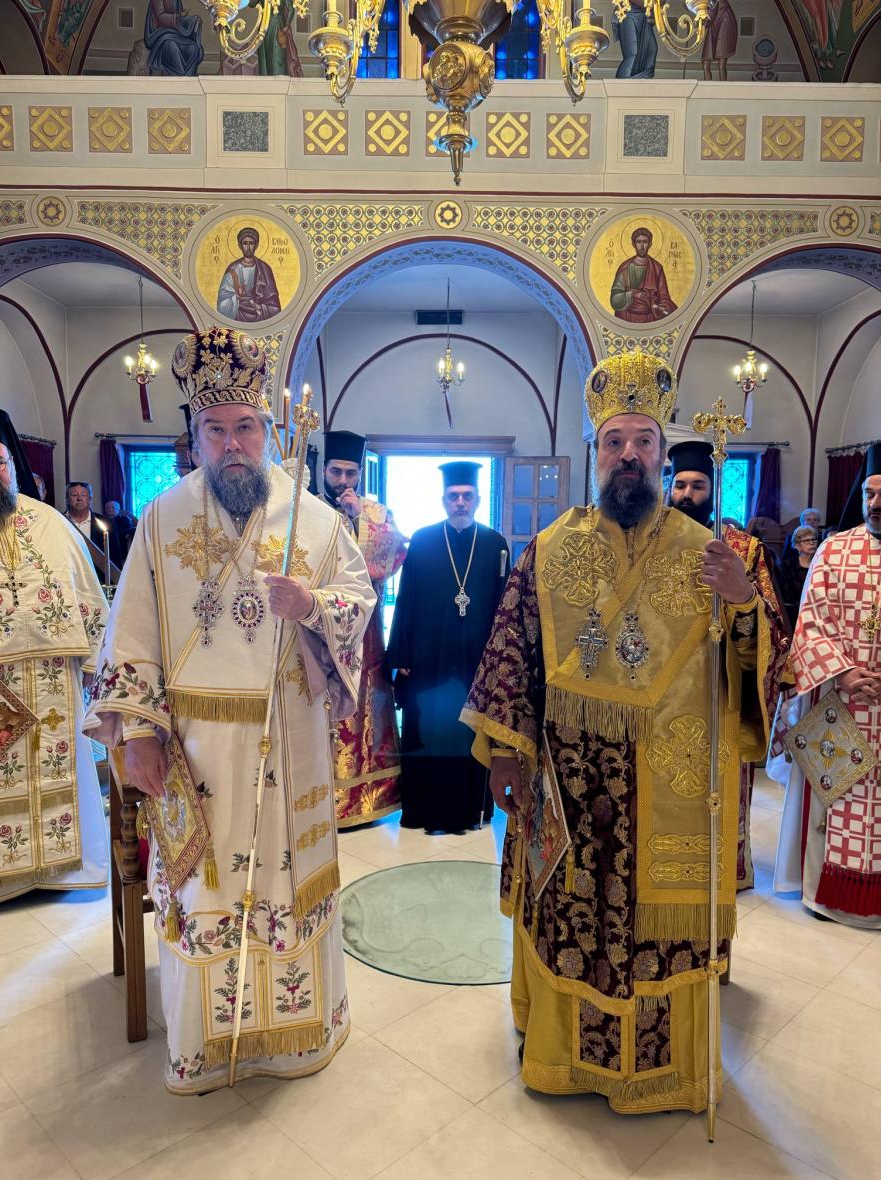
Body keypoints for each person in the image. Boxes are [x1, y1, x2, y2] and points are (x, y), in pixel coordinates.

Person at [462, 353, 787, 1113]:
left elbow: (768, 664)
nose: (630, 455)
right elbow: (512, 653)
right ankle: (563, 1059)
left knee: (656, 929)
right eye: (615, 442)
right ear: (596, 453)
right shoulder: (550, 549)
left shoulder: (716, 557)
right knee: (567, 910)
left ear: (663, 454)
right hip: (568, 784)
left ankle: (660, 1074)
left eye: (644, 441)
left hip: (672, 786)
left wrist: (744, 604)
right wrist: (504, 754)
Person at [84, 327, 376, 1094]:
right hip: (198, 750)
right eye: (215, 430)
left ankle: (296, 1037)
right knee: (202, 892)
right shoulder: (162, 519)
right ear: (196, 435)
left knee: (288, 886)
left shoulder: (316, 520)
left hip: (290, 743)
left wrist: (311, 605)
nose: (233, 444)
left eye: (246, 426)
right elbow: (132, 632)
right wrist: (137, 734)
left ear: (269, 429)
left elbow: (359, 601)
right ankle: (206, 1048)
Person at [0, 407, 109, 910]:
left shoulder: (50, 523)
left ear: (12, 464)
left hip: (56, 678)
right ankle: (0, 882)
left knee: (66, 767)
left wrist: (98, 665)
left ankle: (70, 870)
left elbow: (89, 594)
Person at [666, 439, 790, 890]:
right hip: (660, 691)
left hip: (719, 690)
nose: (687, 494)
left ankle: (721, 873)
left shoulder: (745, 549)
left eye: (698, 485)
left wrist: (741, 596)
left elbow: (773, 628)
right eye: (680, 485)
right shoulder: (648, 543)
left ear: (714, 491)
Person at [772, 441, 881, 929]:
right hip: (842, 700)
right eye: (869, 494)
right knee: (839, 799)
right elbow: (810, 622)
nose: (876, 503)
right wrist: (845, 672)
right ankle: (829, 896)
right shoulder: (834, 550)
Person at [386, 462, 509, 834]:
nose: (460, 502)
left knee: (469, 732)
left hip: (476, 662)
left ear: (478, 499)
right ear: (443, 500)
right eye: (454, 496)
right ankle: (423, 811)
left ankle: (471, 810)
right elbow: (406, 599)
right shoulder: (423, 541)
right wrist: (401, 655)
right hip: (429, 660)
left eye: (467, 496)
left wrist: (502, 657)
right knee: (430, 730)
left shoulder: (494, 544)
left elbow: (504, 606)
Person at [321, 429, 407, 827]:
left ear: (360, 474)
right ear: (323, 470)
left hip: (364, 632)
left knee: (365, 707)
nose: (343, 481)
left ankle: (365, 799)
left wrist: (358, 520)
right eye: (336, 472)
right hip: (318, 628)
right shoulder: (305, 509)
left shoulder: (375, 513)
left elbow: (393, 555)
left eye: (351, 473)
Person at [609, 228, 677, 324]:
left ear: (650, 244)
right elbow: (615, 299)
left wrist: (660, 306)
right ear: (633, 244)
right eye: (638, 242)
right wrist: (632, 294)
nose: (642, 246)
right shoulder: (625, 268)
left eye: (645, 242)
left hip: (650, 319)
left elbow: (664, 298)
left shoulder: (657, 268)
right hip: (627, 317)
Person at [217, 228, 281, 324]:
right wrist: (237, 298)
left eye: (251, 243)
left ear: (256, 245)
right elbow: (222, 305)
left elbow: (274, 306)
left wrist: (260, 307)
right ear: (240, 246)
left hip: (260, 315)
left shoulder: (265, 269)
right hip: (238, 314)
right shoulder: (233, 269)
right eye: (245, 243)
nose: (248, 247)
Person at [144, 0, 204, 77]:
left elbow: (180, 21)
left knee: (194, 47)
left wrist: (193, 20)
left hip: (176, 33)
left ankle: (189, 78)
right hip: (160, 33)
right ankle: (181, 77)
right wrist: (178, 16)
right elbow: (160, 17)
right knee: (172, 46)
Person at [780, 523, 818, 631]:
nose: (812, 543)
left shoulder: (820, 564)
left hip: (816, 609)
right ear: (797, 545)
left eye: (813, 539)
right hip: (794, 611)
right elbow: (785, 594)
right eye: (806, 540)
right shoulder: (788, 565)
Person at [612, 0, 658, 78]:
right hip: (627, 13)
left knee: (651, 50)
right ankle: (623, 82)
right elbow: (642, 3)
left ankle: (643, 80)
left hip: (643, 16)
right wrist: (650, 4)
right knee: (633, 53)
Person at [701, 0, 737, 80]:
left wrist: (699, 24)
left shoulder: (716, 3)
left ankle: (723, 86)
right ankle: (707, 86)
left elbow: (710, 16)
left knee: (721, 64)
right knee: (706, 63)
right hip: (714, 27)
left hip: (724, 27)